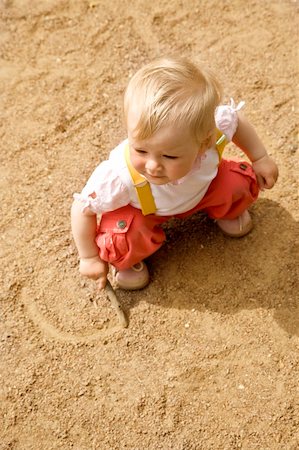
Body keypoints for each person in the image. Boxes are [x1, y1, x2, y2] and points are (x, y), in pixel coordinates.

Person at [71, 56, 278, 290]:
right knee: (121, 236)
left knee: (237, 182)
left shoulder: (212, 131)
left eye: (169, 156)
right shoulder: (119, 176)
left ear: (203, 142)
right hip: (146, 212)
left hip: (203, 191)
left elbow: (236, 121)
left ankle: (226, 210)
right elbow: (82, 208)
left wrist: (259, 157)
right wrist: (88, 257)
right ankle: (128, 260)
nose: (152, 166)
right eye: (140, 149)